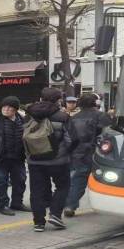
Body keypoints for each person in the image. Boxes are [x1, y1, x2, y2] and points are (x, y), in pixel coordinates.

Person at [25, 88, 77, 232]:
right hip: (58, 161)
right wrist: (66, 153)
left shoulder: (28, 116)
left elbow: (21, 136)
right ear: (58, 100)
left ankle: (38, 222)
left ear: (41, 98)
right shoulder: (62, 117)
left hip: (34, 160)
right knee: (63, 186)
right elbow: (72, 139)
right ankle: (55, 214)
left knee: (37, 191)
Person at [64, 93, 111, 218]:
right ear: (95, 103)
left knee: (78, 180)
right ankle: (108, 205)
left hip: (78, 153)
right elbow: (108, 135)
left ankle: (70, 205)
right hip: (98, 153)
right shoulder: (101, 116)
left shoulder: (74, 118)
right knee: (106, 179)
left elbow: (69, 137)